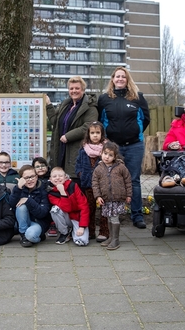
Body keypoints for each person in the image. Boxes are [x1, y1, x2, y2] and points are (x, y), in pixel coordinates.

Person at [97, 66, 150, 230]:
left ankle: (137, 215)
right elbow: (100, 121)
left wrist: (135, 132)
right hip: (113, 147)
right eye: (117, 76)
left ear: (127, 80)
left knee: (133, 181)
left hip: (134, 145)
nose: (120, 79)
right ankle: (114, 215)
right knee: (112, 179)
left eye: (123, 77)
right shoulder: (104, 99)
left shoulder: (138, 97)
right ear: (112, 79)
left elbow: (145, 119)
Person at [45, 76, 97, 180]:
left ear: (83, 90)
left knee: (74, 181)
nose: (74, 91)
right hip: (61, 148)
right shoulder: (66, 105)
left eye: (77, 88)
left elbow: (88, 126)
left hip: (76, 149)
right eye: (71, 88)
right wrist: (49, 105)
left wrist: (68, 136)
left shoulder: (90, 107)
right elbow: (55, 122)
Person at [92, 141, 132, 251]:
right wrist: (98, 196)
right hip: (106, 199)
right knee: (109, 217)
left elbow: (128, 181)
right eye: (105, 154)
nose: (107, 157)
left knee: (114, 218)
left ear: (115, 156)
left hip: (118, 198)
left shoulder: (121, 167)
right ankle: (111, 237)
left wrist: (128, 194)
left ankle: (116, 239)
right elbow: (95, 184)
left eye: (110, 155)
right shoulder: (98, 169)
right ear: (101, 153)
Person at [75, 121, 109, 242]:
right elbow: (78, 164)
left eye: (98, 133)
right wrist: (81, 173)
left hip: (103, 186)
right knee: (89, 208)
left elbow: (114, 162)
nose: (95, 135)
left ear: (102, 134)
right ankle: (90, 231)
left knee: (105, 209)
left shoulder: (107, 148)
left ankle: (104, 231)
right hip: (88, 184)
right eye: (92, 133)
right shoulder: (84, 149)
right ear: (88, 134)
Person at [8, 165, 51, 247]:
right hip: (23, 222)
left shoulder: (43, 189)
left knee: (31, 236)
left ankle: (38, 237)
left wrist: (28, 200)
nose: (30, 180)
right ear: (21, 179)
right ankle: (23, 235)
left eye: (32, 176)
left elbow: (43, 213)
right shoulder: (18, 189)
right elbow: (11, 205)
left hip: (38, 222)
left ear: (37, 177)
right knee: (21, 207)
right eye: (26, 178)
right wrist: (18, 188)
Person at [47, 167, 90, 246]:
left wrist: (82, 226)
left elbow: (84, 206)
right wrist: (62, 192)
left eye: (60, 176)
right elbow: (66, 208)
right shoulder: (51, 193)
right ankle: (64, 233)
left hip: (78, 217)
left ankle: (74, 230)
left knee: (81, 241)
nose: (57, 178)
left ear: (65, 177)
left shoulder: (73, 186)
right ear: (50, 179)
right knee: (54, 210)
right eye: (54, 176)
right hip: (66, 217)